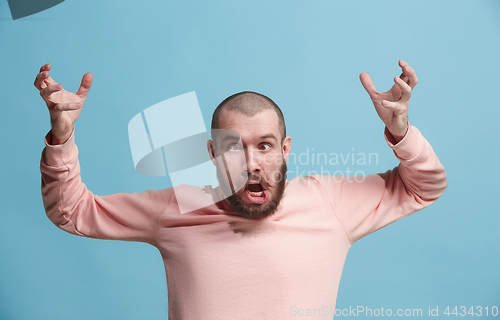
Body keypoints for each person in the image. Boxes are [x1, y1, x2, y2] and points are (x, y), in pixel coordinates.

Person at [36, 60, 447, 319]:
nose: (251, 163)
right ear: (213, 153)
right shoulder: (178, 208)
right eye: (234, 147)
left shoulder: (328, 202)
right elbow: (70, 212)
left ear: (285, 150)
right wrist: (63, 136)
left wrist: (401, 131)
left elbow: (424, 187)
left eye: (265, 146)